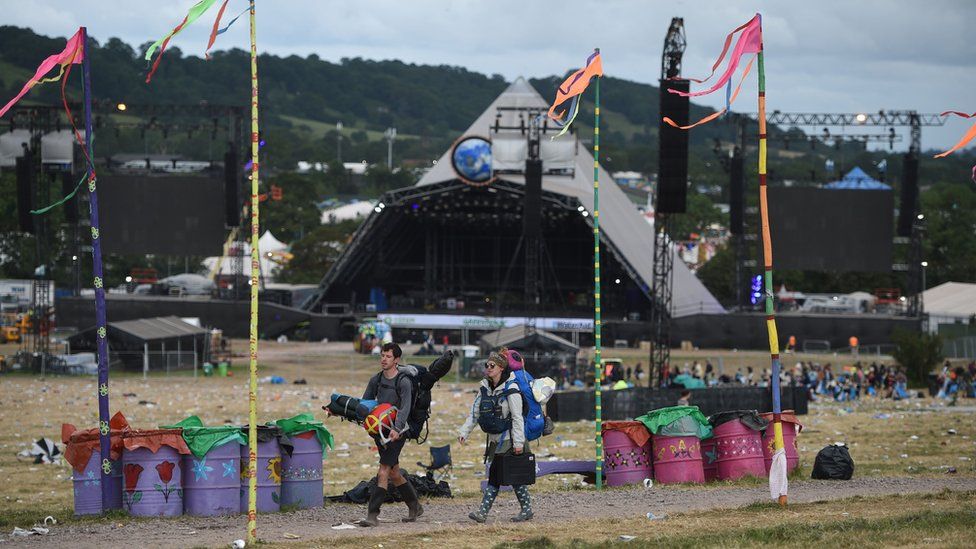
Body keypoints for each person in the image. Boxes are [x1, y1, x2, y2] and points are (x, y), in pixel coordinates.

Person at [324, 342, 422, 526]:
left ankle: (372, 515)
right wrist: (338, 411)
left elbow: (405, 408)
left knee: (383, 471)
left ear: (397, 360)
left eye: (388, 356)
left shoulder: (404, 381)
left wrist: (397, 429)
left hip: (397, 432)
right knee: (394, 473)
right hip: (380, 432)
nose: (384, 359)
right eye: (382, 355)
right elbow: (366, 405)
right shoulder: (375, 380)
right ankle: (415, 505)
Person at [458, 351, 533, 523]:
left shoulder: (512, 389)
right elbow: (475, 413)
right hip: (494, 440)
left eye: (492, 365)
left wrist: (519, 442)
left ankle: (483, 513)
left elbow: (517, 417)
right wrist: (464, 432)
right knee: (510, 475)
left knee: (497, 474)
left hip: (509, 439)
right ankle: (526, 509)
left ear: (501, 368)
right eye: (487, 365)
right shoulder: (484, 388)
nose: (488, 368)